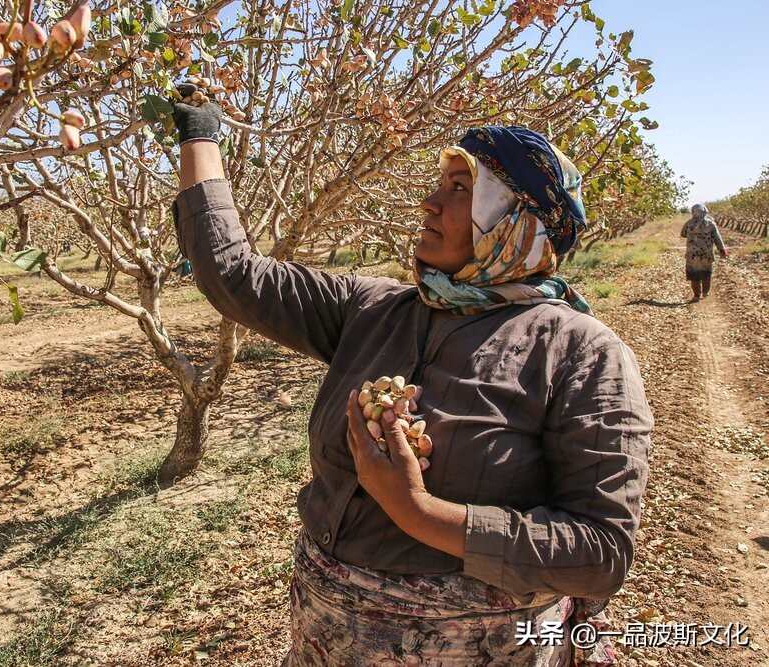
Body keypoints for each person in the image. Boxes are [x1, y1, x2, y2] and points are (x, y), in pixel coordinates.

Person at [171, 88, 652, 666]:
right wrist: (200, 135)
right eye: (439, 183)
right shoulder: (373, 309)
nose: (429, 202)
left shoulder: (581, 352)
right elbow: (231, 274)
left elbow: (599, 553)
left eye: (460, 189)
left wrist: (419, 512)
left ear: (516, 223)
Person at [680, 203, 727, 301]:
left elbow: (683, 234)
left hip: (692, 254)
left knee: (694, 274)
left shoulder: (689, 223)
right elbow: (717, 238)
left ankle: (696, 295)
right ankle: (705, 292)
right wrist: (722, 250)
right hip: (707, 253)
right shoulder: (710, 223)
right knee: (706, 272)